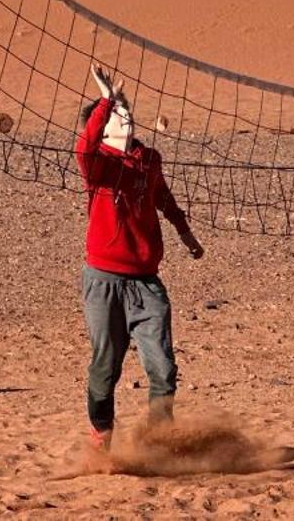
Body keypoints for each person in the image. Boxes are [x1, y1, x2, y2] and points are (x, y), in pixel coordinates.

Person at [77, 64, 203, 448]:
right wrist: (105, 101)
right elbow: (83, 147)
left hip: (146, 281)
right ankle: (102, 433)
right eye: (118, 113)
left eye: (127, 108)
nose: (127, 115)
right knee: (106, 365)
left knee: (163, 367)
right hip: (103, 280)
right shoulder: (99, 164)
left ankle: (158, 441)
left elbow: (163, 197)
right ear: (103, 127)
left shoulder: (149, 159)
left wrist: (185, 232)